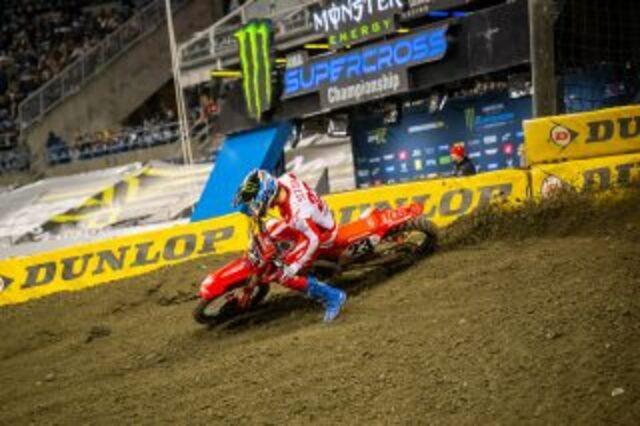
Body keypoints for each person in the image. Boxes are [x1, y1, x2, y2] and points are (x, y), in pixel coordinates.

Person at [234, 169, 347, 322]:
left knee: (283, 274)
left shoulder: (297, 214)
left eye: (256, 200)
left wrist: (295, 265)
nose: (254, 205)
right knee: (271, 226)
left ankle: (333, 297)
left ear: (266, 194)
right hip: (313, 221)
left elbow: (314, 239)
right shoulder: (284, 180)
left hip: (323, 235)